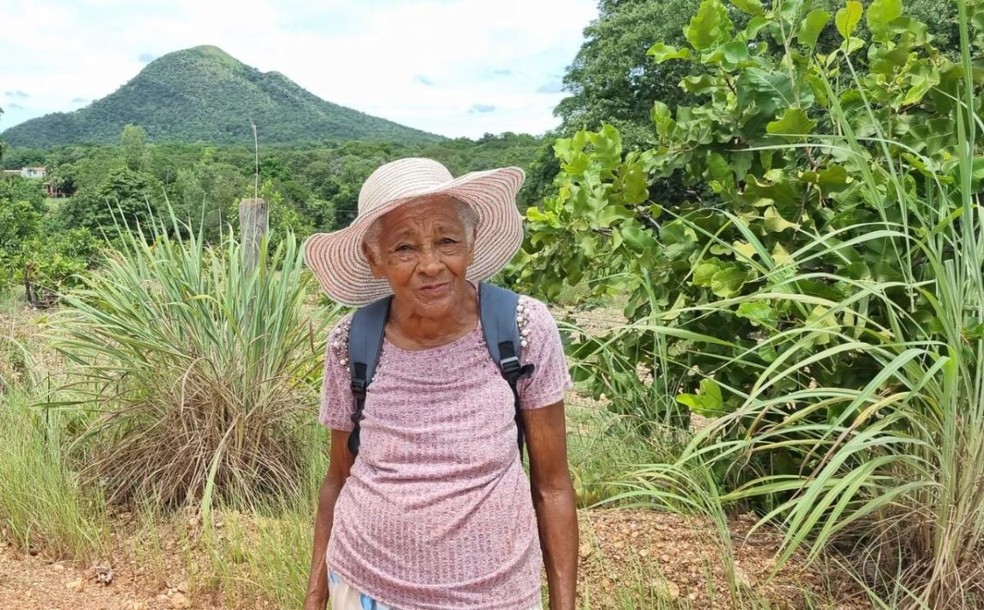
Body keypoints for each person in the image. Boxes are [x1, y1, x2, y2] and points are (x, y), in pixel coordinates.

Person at [301, 158, 578, 610]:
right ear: (375, 260)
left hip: (496, 595)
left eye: (446, 241)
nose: (431, 265)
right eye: (405, 248)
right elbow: (338, 478)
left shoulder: (522, 328)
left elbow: (553, 486)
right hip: (365, 587)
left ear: (471, 244)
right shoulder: (351, 342)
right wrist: (314, 599)